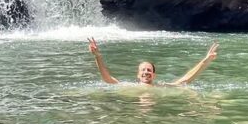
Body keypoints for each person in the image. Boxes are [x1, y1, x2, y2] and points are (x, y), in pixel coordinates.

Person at [87, 38, 219, 86]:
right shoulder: (128, 86)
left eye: (149, 70)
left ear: (154, 75)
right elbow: (107, 79)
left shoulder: (161, 86)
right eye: (143, 70)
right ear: (137, 75)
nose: (146, 72)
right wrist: (98, 56)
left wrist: (205, 61)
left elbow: (185, 80)